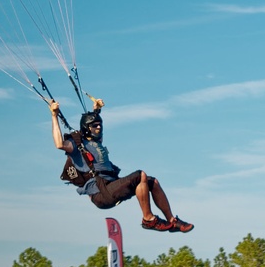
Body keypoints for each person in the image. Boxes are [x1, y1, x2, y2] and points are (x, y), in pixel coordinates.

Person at [50, 98, 193, 233]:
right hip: (100, 193)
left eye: (100, 124)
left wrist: (96, 110)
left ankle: (172, 221)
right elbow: (59, 144)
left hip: (111, 185)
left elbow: (94, 123)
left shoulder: (96, 142)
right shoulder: (77, 145)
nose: (99, 127)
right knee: (140, 175)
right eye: (95, 126)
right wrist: (54, 115)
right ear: (87, 128)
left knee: (152, 182)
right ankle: (148, 219)